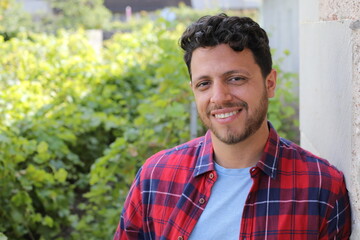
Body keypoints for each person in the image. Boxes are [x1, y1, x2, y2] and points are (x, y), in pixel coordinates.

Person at [113, 14, 351, 240]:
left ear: (270, 83)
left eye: (235, 78)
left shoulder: (321, 187)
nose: (219, 97)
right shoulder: (155, 177)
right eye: (204, 84)